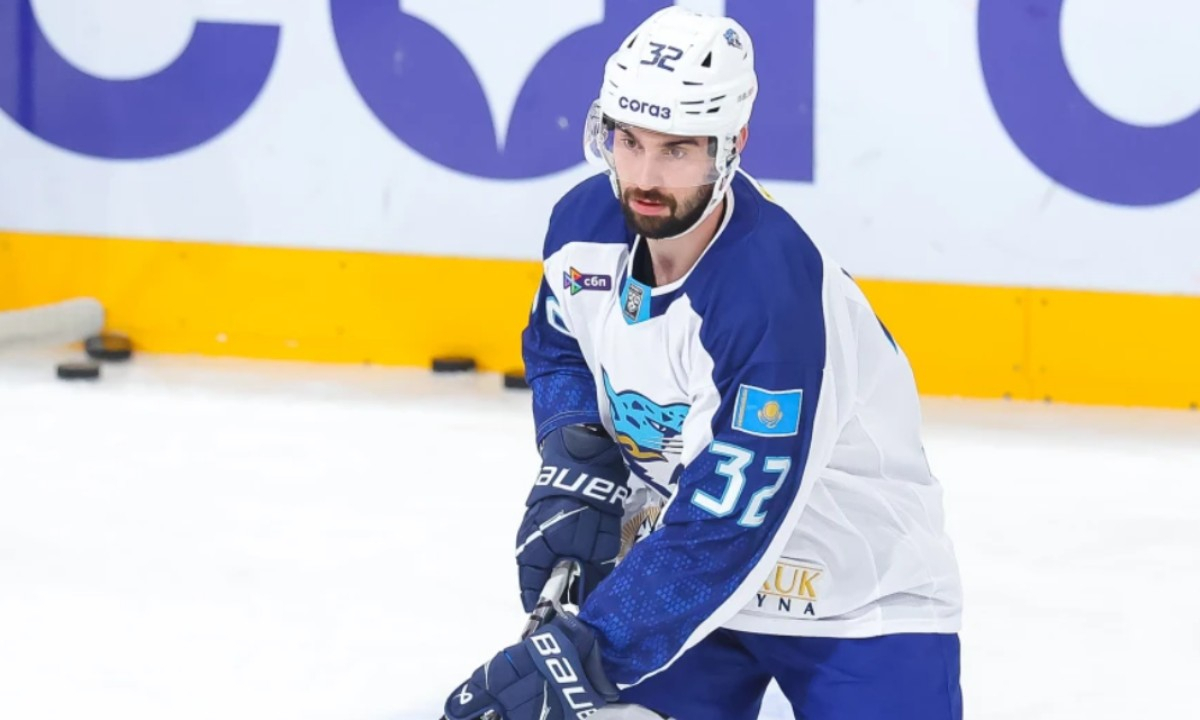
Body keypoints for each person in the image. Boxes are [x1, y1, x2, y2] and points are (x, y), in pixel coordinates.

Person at [443, 7, 963, 720]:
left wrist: (587, 651)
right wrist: (578, 455)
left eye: (677, 150)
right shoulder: (582, 229)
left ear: (732, 145)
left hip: (853, 595)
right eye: (629, 141)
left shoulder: (767, 291)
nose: (644, 177)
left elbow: (728, 523)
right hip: (687, 590)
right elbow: (563, 345)